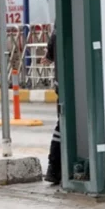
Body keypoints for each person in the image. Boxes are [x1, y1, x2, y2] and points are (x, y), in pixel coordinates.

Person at [42, 26, 60, 184]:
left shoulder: (57, 28)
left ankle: (54, 168)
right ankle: (54, 168)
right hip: (71, 84)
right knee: (62, 127)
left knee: (61, 126)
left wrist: (48, 56)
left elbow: (50, 54)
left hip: (61, 83)